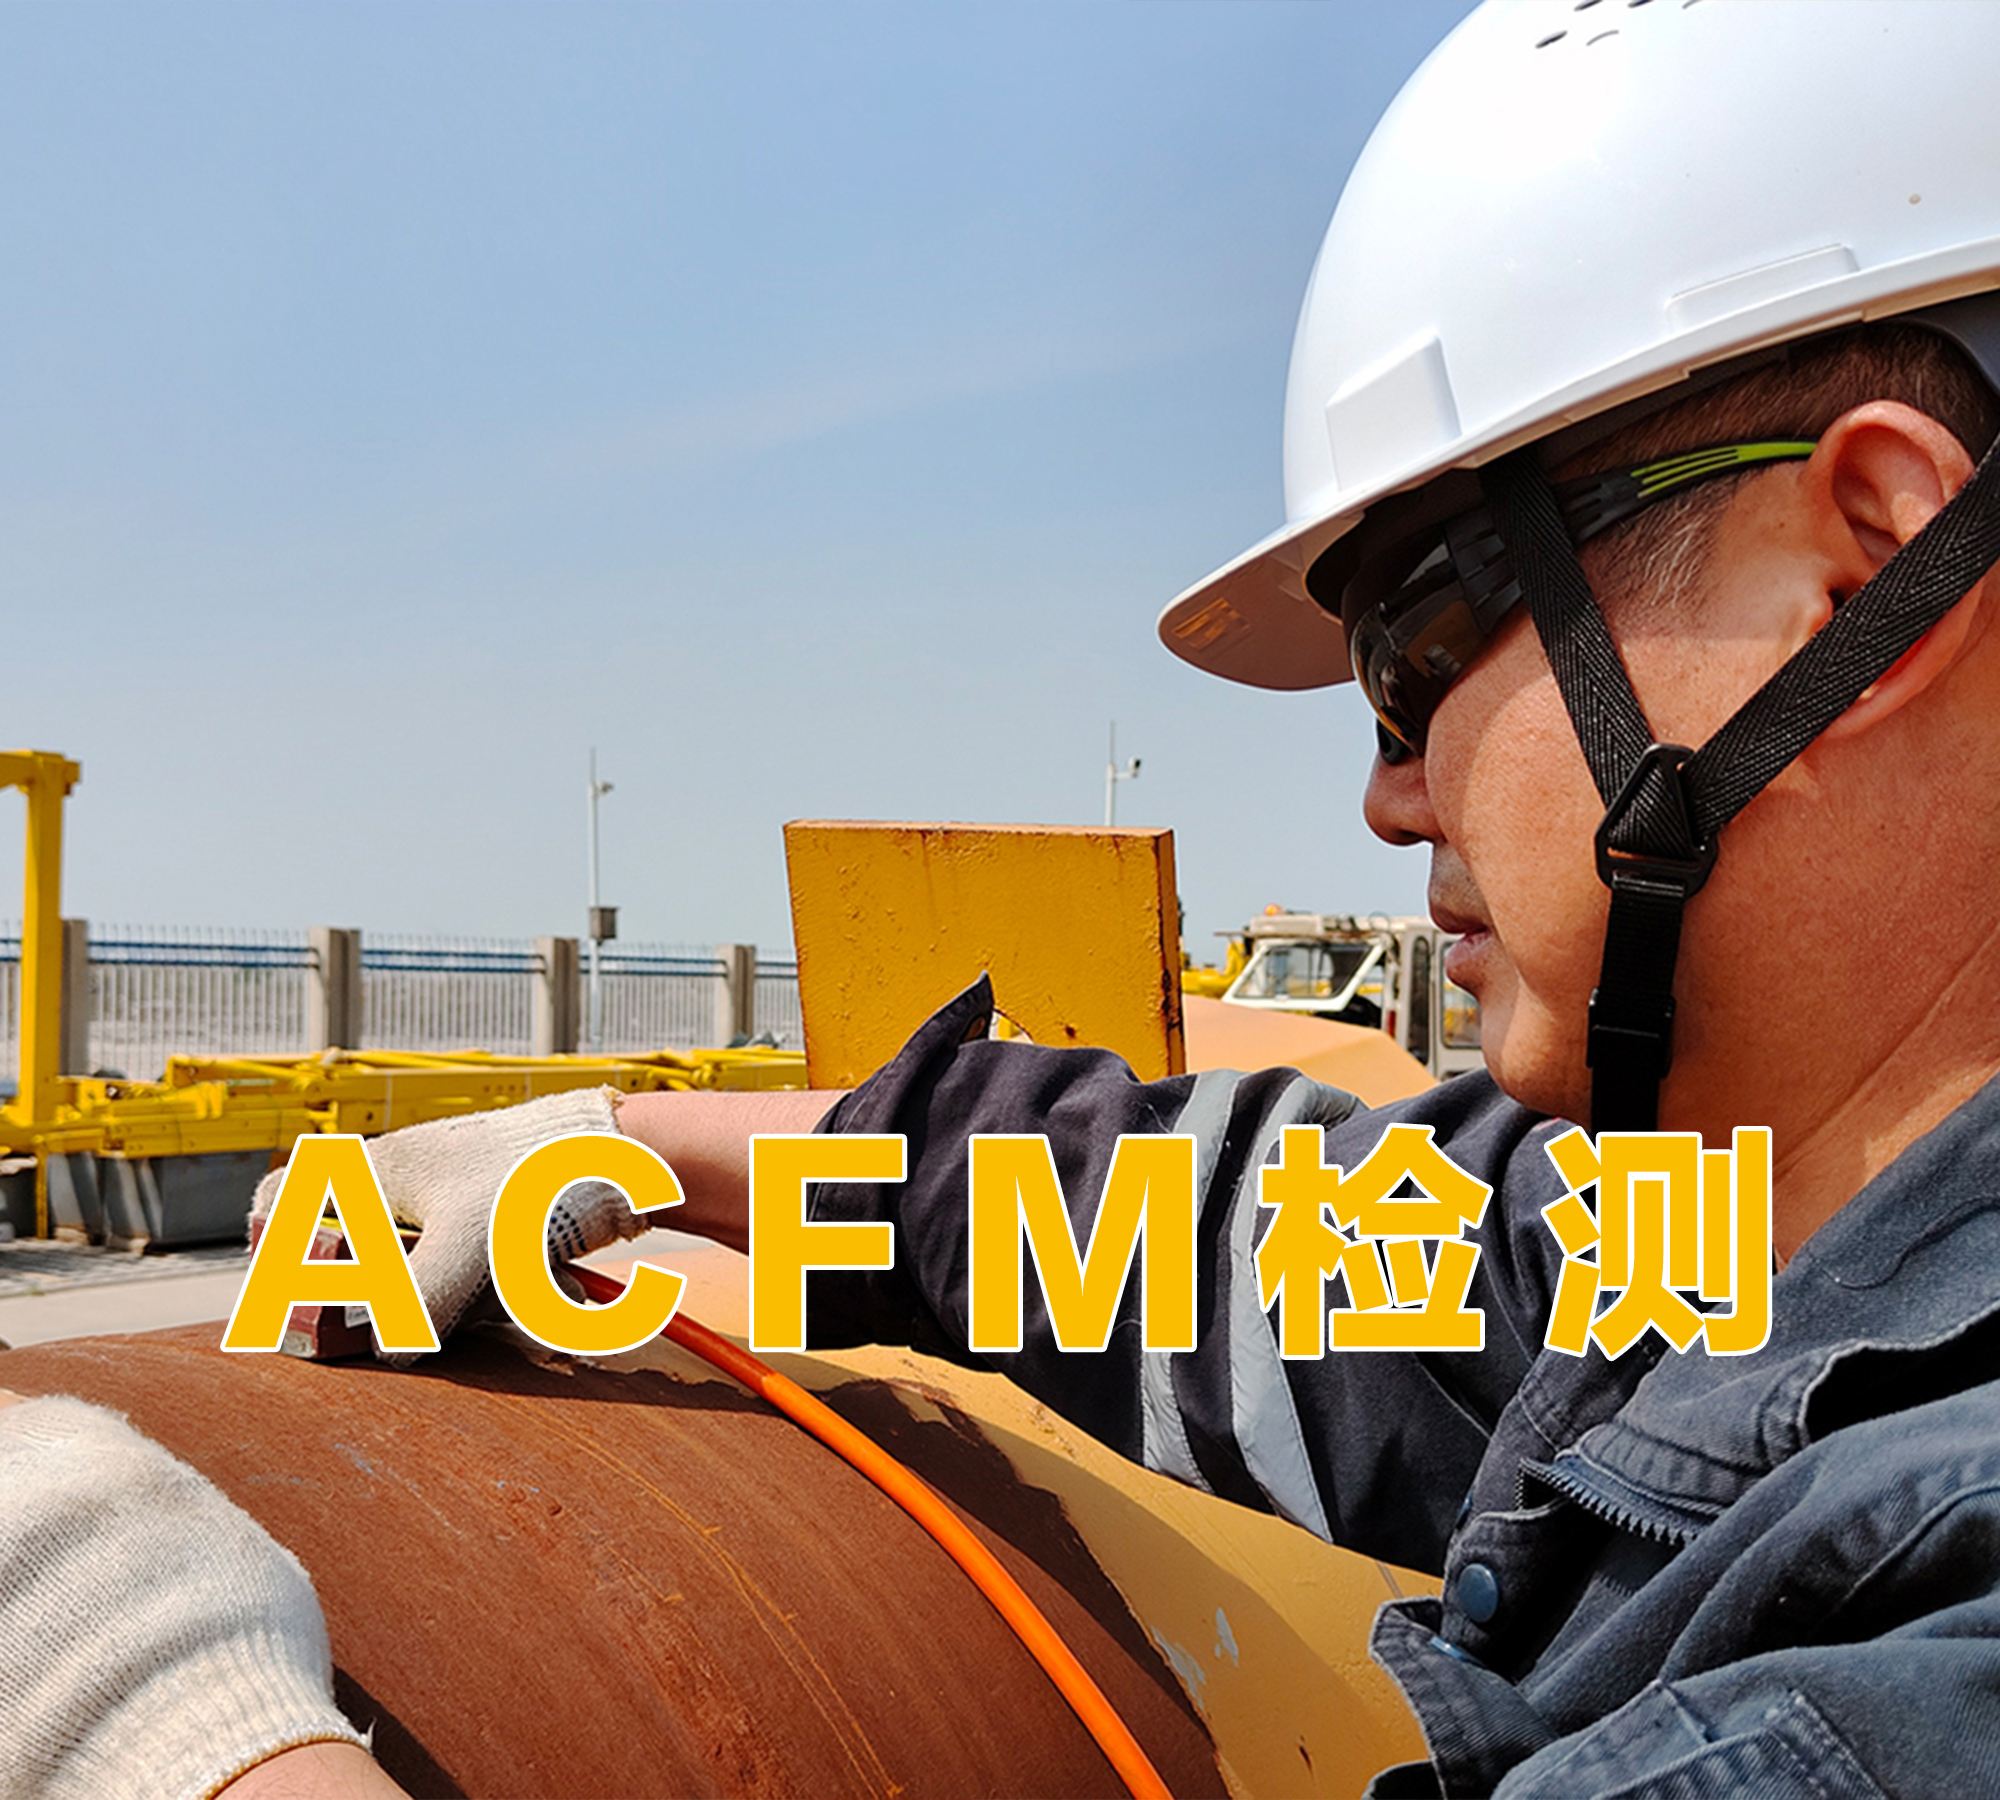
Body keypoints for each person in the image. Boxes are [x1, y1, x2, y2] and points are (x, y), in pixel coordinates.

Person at [11, 2, 2000, 1794]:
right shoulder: (1722, 1239)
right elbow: (1284, 1242)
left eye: (1418, 639)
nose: (1387, 789)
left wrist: (162, 1713)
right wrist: (630, 1145)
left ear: (1857, 563)